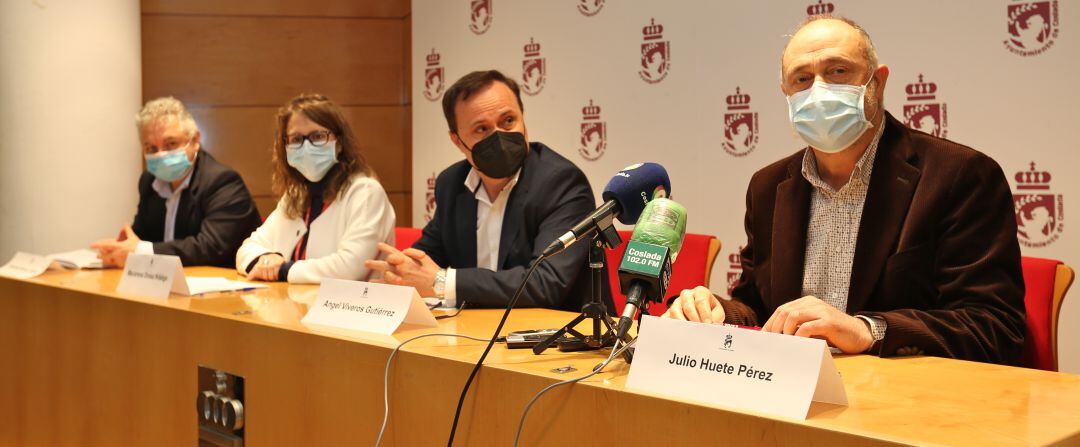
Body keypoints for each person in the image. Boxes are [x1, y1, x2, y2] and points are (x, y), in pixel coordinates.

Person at [666, 16, 1025, 364]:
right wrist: (718, 312)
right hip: (795, 399)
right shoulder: (769, 186)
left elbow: (994, 325)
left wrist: (868, 330)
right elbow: (760, 309)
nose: (819, 90)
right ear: (786, 94)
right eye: (802, 79)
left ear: (877, 82)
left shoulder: (959, 175)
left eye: (838, 71)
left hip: (907, 407)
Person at [365, 70, 607, 311]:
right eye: (481, 129)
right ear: (457, 141)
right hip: (477, 333)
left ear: (524, 120)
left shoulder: (561, 183)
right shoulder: (452, 184)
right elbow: (427, 254)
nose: (499, 136)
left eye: (508, 121)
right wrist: (401, 269)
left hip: (563, 338)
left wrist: (442, 282)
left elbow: (545, 283)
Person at [235, 94, 395, 284]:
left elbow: (350, 268)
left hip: (354, 309)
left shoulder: (365, 192)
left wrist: (283, 269)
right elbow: (247, 249)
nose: (307, 146)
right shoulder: (296, 195)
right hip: (294, 306)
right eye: (296, 139)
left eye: (318, 136)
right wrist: (265, 260)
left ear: (340, 142)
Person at [91, 97, 261, 268]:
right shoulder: (149, 181)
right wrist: (119, 250)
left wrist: (141, 250)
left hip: (226, 287)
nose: (161, 154)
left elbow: (209, 247)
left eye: (171, 144)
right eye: (151, 148)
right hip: (164, 284)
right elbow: (141, 238)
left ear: (195, 140)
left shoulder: (223, 182)